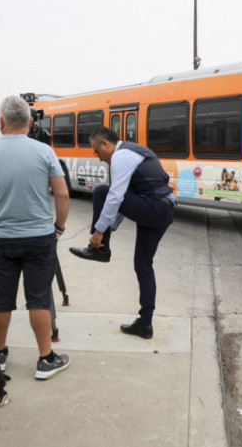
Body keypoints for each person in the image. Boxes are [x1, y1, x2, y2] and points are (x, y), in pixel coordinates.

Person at [0, 96, 70, 380]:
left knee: (0, 297)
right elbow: (62, 194)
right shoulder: (44, 152)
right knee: (38, 298)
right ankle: (45, 359)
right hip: (40, 237)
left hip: (3, 238)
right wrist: (59, 228)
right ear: (30, 122)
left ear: (0, 122)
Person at [69, 127, 174, 339]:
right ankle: (145, 324)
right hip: (161, 208)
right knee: (143, 265)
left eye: (97, 152)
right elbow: (128, 196)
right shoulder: (133, 152)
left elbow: (116, 197)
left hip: (155, 208)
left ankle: (99, 249)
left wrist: (99, 232)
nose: (99, 159)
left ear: (105, 144)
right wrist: (111, 227)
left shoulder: (121, 156)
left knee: (101, 191)